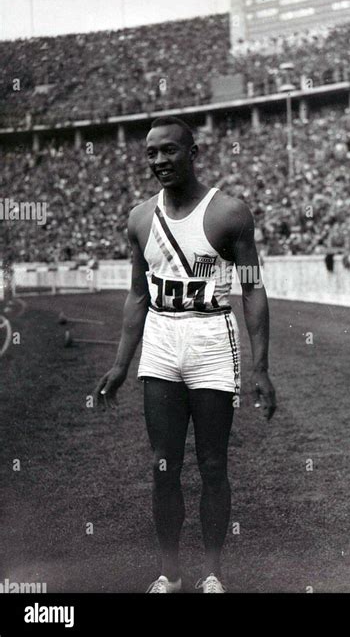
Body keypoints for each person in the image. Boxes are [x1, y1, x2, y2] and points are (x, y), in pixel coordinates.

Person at [94, 116, 276, 593]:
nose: (159, 161)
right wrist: (119, 364)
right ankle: (169, 573)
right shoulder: (139, 217)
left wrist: (261, 367)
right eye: (152, 153)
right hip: (160, 340)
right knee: (163, 463)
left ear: (193, 153)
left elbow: (252, 290)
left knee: (213, 463)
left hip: (212, 338)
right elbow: (137, 295)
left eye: (169, 151)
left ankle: (212, 572)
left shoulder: (228, 213)